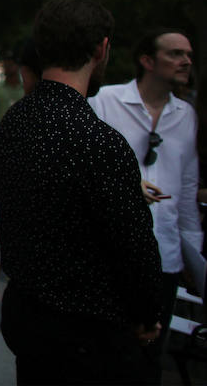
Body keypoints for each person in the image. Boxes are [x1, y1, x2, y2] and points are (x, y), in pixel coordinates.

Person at [0, 0, 162, 384]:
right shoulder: (99, 142)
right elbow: (134, 247)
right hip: (89, 339)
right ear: (102, 48)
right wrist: (146, 312)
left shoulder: (15, 123)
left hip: (28, 321)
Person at [88, 27, 200, 382]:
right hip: (110, 257)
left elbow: (186, 187)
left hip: (163, 259)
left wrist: (191, 253)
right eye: (175, 54)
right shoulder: (105, 102)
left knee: (147, 360)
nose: (186, 61)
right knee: (103, 357)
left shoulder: (186, 115)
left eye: (189, 55)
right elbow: (83, 170)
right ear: (147, 61)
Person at [0, 55, 23, 130]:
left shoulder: (25, 88)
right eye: (5, 65)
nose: (7, 68)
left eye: (10, 65)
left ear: (17, 66)